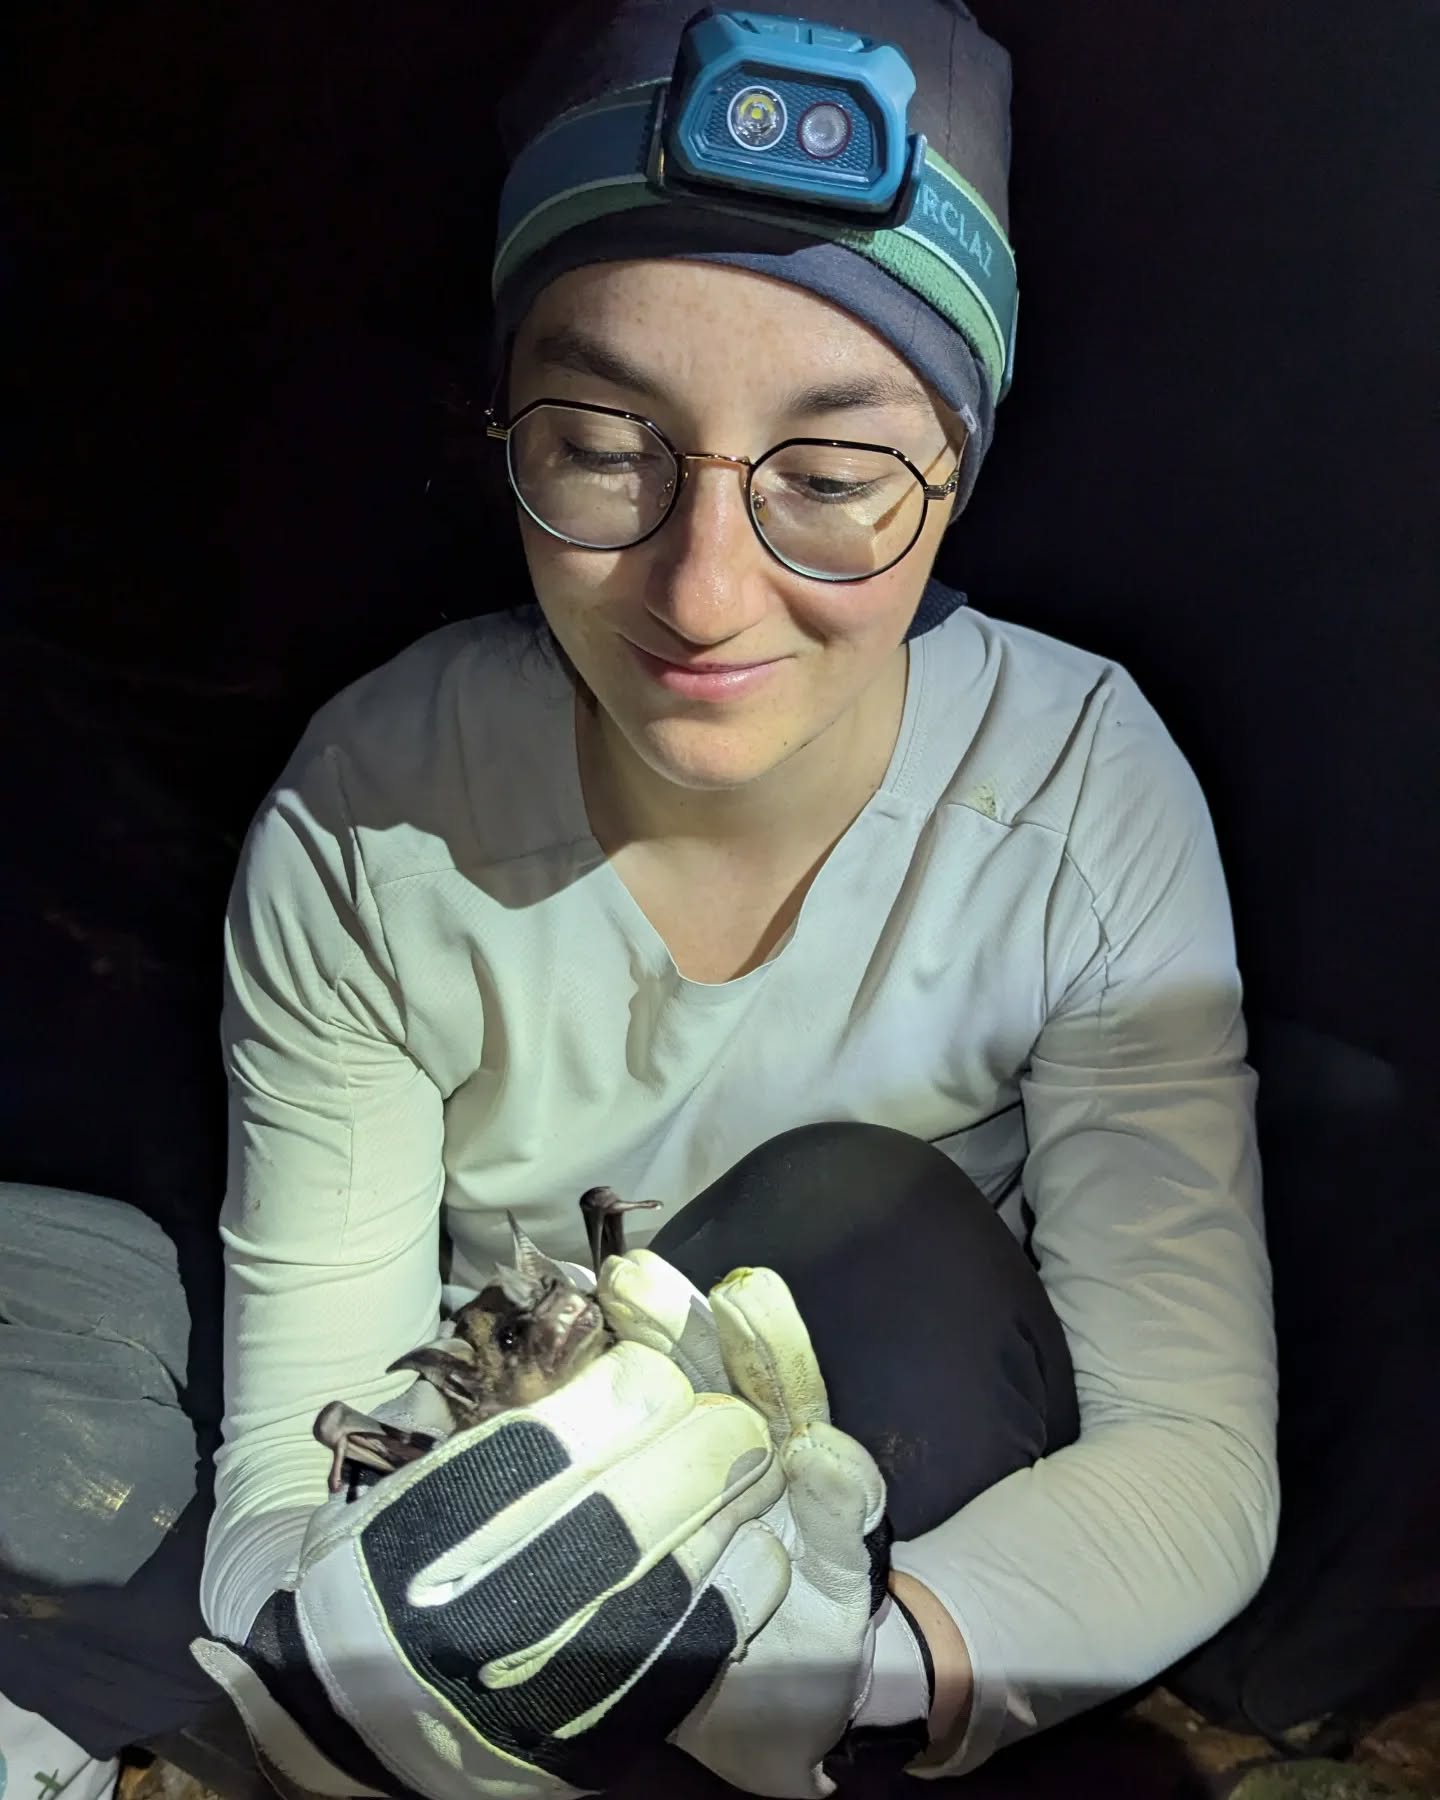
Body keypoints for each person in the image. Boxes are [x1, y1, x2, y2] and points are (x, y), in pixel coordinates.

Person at [0, 1, 1280, 1795]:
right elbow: (301, 1437)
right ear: (502, 432)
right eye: (605, 448)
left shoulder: (1073, 789)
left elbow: (1195, 1458)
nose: (702, 591)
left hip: (878, 1485)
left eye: (832, 480)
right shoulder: (375, 809)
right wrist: (365, 1657)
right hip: (464, 1460)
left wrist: (842, 1669)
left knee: (862, 1225)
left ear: (957, 475)